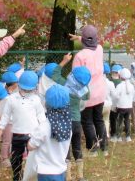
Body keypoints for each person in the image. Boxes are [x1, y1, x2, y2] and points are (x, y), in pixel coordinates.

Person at [0, 70, 46, 181]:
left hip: (32, 134)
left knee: (33, 157)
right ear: (18, 86)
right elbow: (6, 115)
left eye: (29, 90)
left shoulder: (36, 99)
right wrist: (1, 128)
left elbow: (40, 114)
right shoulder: (11, 99)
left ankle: (33, 176)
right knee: (16, 158)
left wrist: (44, 127)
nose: (26, 91)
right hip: (17, 133)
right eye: (24, 89)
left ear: (34, 88)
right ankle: (17, 176)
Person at [50, 53, 91, 181]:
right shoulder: (83, 92)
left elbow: (55, 74)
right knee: (77, 146)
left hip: (64, 121)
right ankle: (80, 175)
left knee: (65, 147)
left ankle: (67, 176)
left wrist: (64, 61)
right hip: (77, 121)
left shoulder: (63, 85)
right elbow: (87, 96)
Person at [71, 25, 108, 156]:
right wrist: (80, 38)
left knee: (87, 122)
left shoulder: (80, 56)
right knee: (99, 120)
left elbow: (75, 76)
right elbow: (92, 42)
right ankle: (104, 147)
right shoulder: (100, 49)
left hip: (87, 94)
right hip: (100, 92)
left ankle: (92, 148)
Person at [28, 84, 73, 181]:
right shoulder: (68, 126)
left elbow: (30, 146)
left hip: (45, 172)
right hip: (61, 170)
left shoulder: (43, 127)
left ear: (46, 104)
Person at [0, 71, 19, 168]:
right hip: (7, 122)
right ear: (12, 85)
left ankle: (7, 155)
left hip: (9, 121)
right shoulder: (6, 97)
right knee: (7, 140)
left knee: (9, 140)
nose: (17, 85)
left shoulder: (6, 94)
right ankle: (3, 158)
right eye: (16, 83)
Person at [113, 68, 134, 142]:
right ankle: (128, 136)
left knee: (119, 122)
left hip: (121, 106)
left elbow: (115, 96)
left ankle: (119, 137)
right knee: (127, 121)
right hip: (129, 107)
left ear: (120, 77)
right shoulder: (131, 86)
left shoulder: (120, 86)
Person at [109, 64, 123, 139]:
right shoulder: (121, 82)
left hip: (111, 104)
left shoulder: (109, 81)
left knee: (112, 119)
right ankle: (118, 134)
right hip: (120, 104)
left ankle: (113, 133)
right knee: (120, 119)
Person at [102, 63, 116, 137]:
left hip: (98, 104)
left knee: (97, 120)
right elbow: (114, 95)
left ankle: (98, 135)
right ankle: (106, 134)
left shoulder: (96, 82)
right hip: (108, 104)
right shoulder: (110, 83)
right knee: (106, 120)